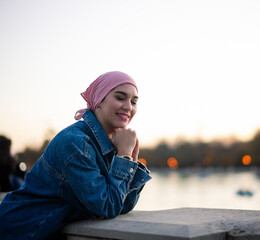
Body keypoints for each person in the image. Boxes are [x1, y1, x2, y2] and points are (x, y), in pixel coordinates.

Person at [0, 71, 151, 240]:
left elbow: (124, 205)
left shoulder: (109, 144)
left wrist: (131, 158)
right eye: (120, 97)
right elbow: (108, 206)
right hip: (19, 230)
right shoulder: (76, 143)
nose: (128, 107)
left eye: (134, 101)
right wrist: (124, 157)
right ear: (99, 100)